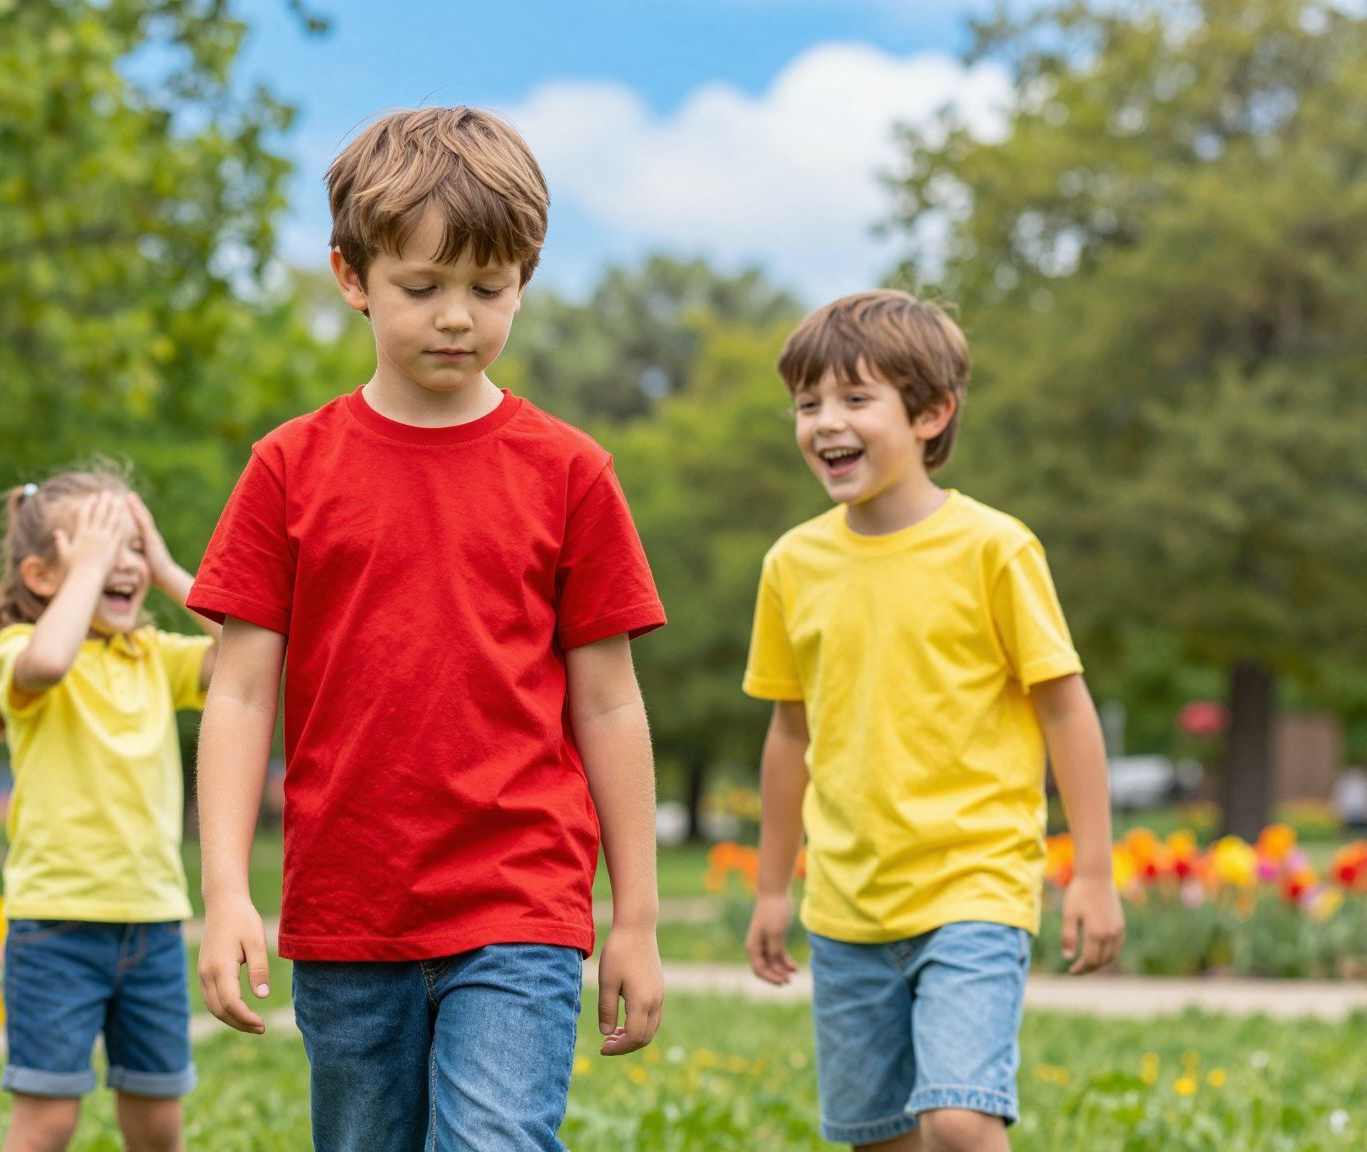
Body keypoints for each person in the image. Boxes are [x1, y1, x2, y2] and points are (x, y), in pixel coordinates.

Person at [189, 106, 667, 1151]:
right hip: (347, 908)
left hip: (517, 898)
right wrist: (225, 892)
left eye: (488, 290)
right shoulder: (286, 470)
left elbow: (607, 699)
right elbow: (236, 691)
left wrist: (634, 914)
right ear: (351, 278)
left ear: (522, 282)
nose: (457, 316)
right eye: (422, 287)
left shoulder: (570, 471)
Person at [742, 291, 1125, 1152]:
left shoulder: (995, 549)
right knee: (883, 1139)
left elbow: (1066, 709)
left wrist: (1093, 873)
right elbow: (789, 736)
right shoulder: (793, 565)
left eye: (853, 399)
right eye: (808, 404)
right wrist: (773, 888)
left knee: (957, 1118)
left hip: (973, 885)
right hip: (846, 908)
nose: (824, 423)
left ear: (931, 412)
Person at [0, 469, 219, 1152]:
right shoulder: (22, 649)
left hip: (153, 924)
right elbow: (46, 664)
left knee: (158, 1121)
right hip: (57, 928)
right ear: (42, 576)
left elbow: (249, 651)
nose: (123, 562)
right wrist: (91, 570)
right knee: (49, 1119)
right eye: (102, 547)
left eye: (132, 544)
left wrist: (166, 567)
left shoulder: (153, 657)